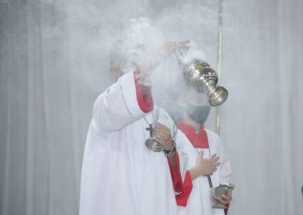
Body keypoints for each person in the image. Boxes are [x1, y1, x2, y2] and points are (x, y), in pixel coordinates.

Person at [79, 19, 191, 215]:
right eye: (133, 62)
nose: (141, 68)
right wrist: (155, 57)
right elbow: (130, 91)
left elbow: (179, 181)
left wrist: (170, 149)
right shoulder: (104, 107)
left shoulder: (161, 115)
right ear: (114, 70)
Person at [175, 89, 233, 215]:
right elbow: (166, 186)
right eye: (199, 100)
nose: (204, 106)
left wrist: (224, 196)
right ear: (182, 100)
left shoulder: (215, 140)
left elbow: (224, 178)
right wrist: (198, 171)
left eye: (207, 101)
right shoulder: (172, 139)